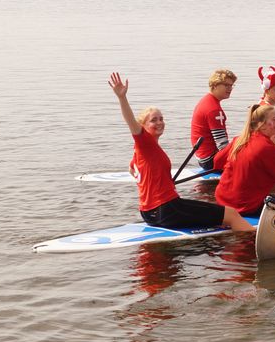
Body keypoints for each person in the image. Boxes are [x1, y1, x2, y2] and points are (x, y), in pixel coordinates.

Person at [108, 72, 253, 232]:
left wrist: (158, 183)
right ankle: (252, 241)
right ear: (143, 125)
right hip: (166, 208)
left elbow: (132, 169)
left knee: (217, 218)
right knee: (231, 214)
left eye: (161, 118)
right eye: (154, 120)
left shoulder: (140, 150)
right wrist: (122, 98)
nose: (159, 122)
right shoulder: (144, 142)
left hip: (148, 213)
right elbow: (131, 122)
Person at [214, 104, 275, 217]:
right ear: (262, 125)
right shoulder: (269, 148)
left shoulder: (239, 139)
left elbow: (217, 161)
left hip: (222, 200)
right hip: (245, 206)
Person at [189, 69, 236, 171]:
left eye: (231, 85)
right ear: (215, 85)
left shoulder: (206, 100)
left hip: (202, 157)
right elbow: (222, 145)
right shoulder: (214, 110)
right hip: (210, 161)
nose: (230, 88)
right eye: (226, 85)